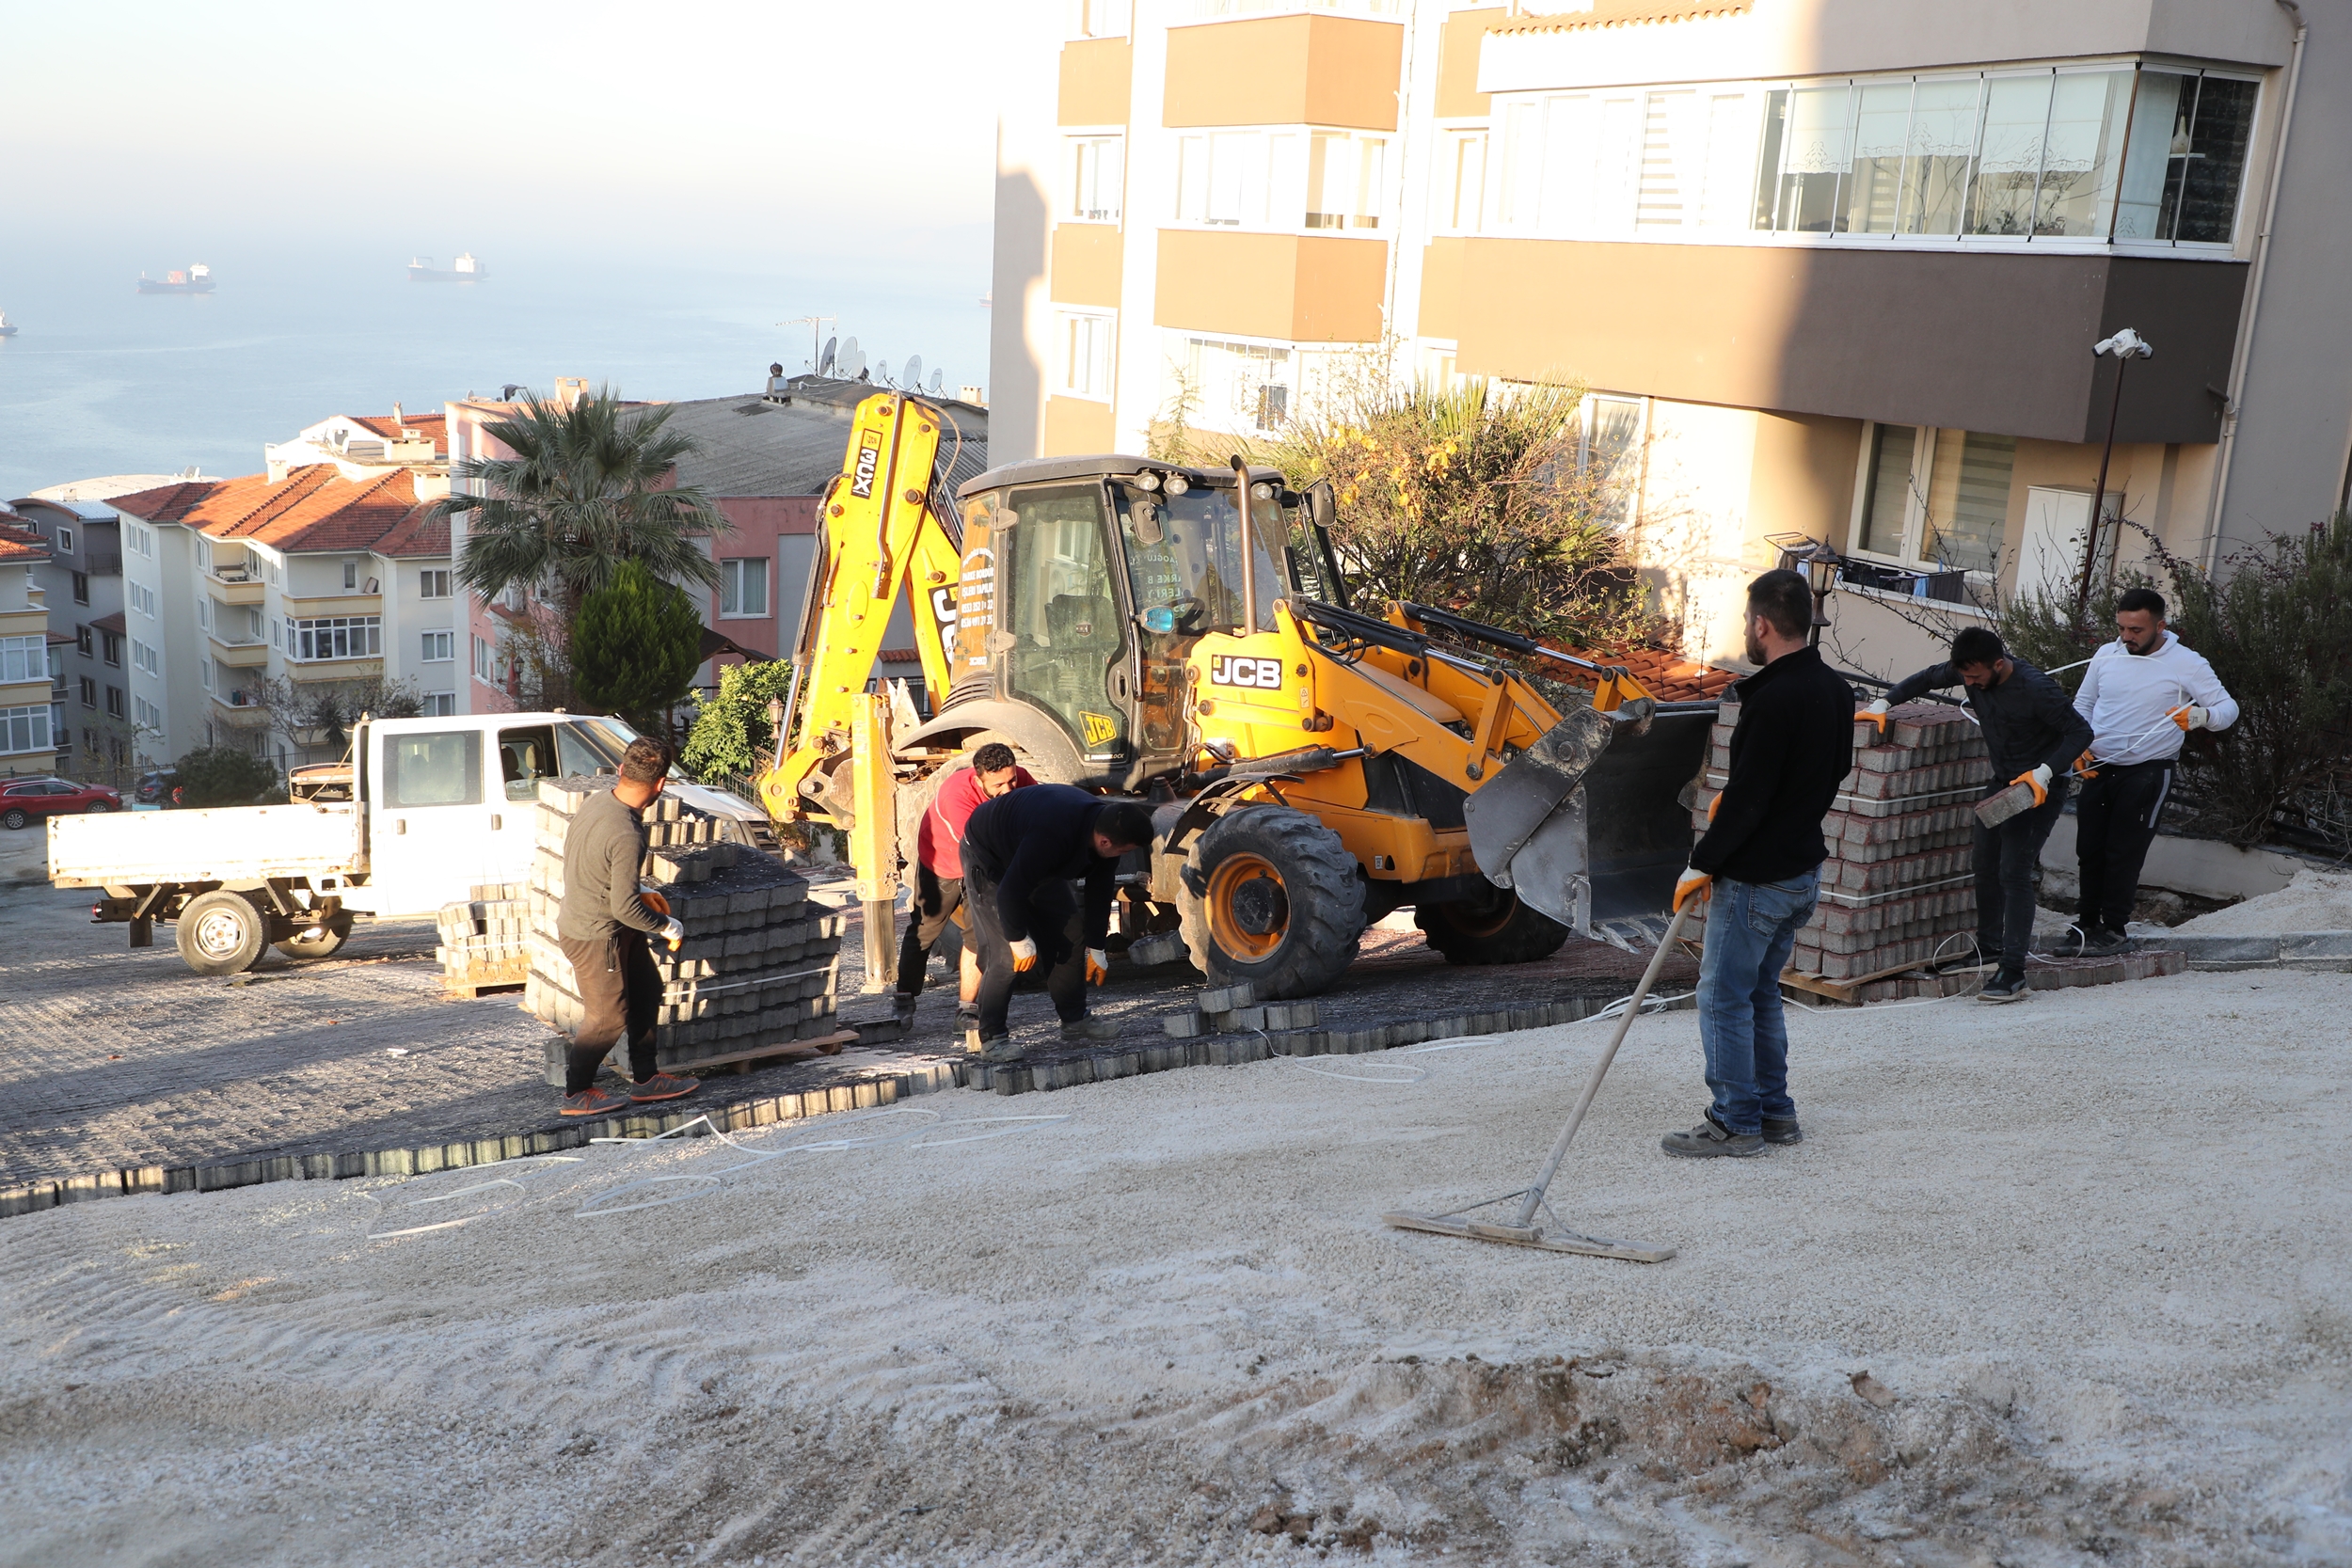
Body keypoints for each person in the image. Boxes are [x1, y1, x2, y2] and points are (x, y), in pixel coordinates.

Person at [1664, 569, 1856, 1158]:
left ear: (1763, 624)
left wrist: (1702, 861)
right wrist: (1770, 801)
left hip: (1757, 879)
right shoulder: (1835, 688)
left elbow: (1749, 798)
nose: (1747, 630)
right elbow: (1832, 771)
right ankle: (1776, 1113)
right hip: (1802, 871)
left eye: (1748, 622)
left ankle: (1735, 1121)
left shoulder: (1773, 698)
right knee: (1761, 993)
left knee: (1724, 995)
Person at [1867, 626, 2091, 1004]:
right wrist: (1884, 704)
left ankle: (2013, 971)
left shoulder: (2036, 688)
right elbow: (1925, 678)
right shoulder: (1969, 669)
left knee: (2014, 871)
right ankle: (1988, 947)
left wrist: (2045, 771)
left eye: (1974, 677)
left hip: (2038, 789)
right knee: (1985, 864)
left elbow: (2081, 733)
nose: (1969, 683)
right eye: (1964, 676)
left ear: (1998, 664)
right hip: (2003, 782)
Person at [2063, 587, 2238, 955]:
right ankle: (2086, 924)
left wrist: (2202, 716)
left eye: (2136, 631)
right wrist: (2077, 744)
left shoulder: (2187, 662)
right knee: (2090, 849)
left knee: (2123, 851)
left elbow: (2227, 708)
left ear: (2160, 626)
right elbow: (2084, 702)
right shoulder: (2107, 654)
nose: (2127, 638)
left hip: (2147, 770)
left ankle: (2113, 929)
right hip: (2099, 765)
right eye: (2122, 628)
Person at [959, 784, 1156, 1063]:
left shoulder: (1107, 831)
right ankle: (993, 1039)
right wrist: (1018, 938)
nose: (1122, 856)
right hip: (989, 856)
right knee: (1004, 956)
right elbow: (1010, 891)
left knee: (1070, 934)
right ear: (1104, 842)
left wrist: (1097, 947)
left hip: (1031, 856)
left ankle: (1075, 1019)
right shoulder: (1052, 832)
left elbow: (1099, 891)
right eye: (1123, 851)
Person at [552, 736, 698, 1116]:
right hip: (596, 936)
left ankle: (647, 1080)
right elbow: (626, 907)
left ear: (621, 770)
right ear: (662, 784)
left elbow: (591, 863)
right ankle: (577, 1092)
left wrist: (638, 887)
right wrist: (667, 925)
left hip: (611, 925)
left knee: (647, 989)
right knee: (607, 1019)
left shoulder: (599, 801)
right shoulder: (627, 833)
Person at [895, 742, 1037, 1030]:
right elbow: (979, 847)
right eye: (998, 784)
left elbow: (1036, 811)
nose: (1008, 790)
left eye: (1011, 780)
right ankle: (904, 997)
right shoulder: (956, 796)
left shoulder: (1019, 779)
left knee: (976, 937)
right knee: (924, 931)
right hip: (944, 863)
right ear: (978, 779)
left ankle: (967, 1010)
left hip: (985, 863)